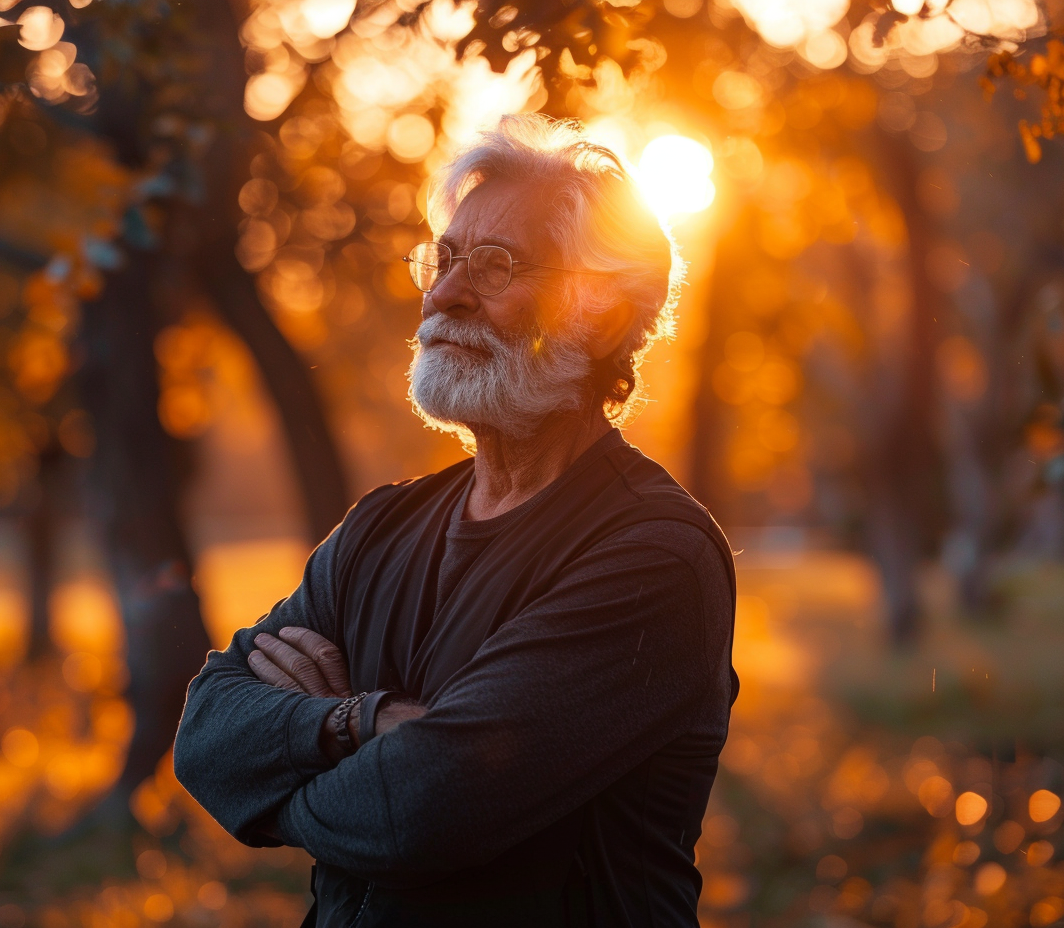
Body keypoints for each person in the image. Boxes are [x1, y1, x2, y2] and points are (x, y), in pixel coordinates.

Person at [173, 114, 738, 928]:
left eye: (497, 265)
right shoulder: (379, 528)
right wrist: (357, 723)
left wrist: (282, 785)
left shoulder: (655, 558)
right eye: (443, 259)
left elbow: (419, 812)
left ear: (606, 315)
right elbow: (205, 731)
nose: (443, 295)